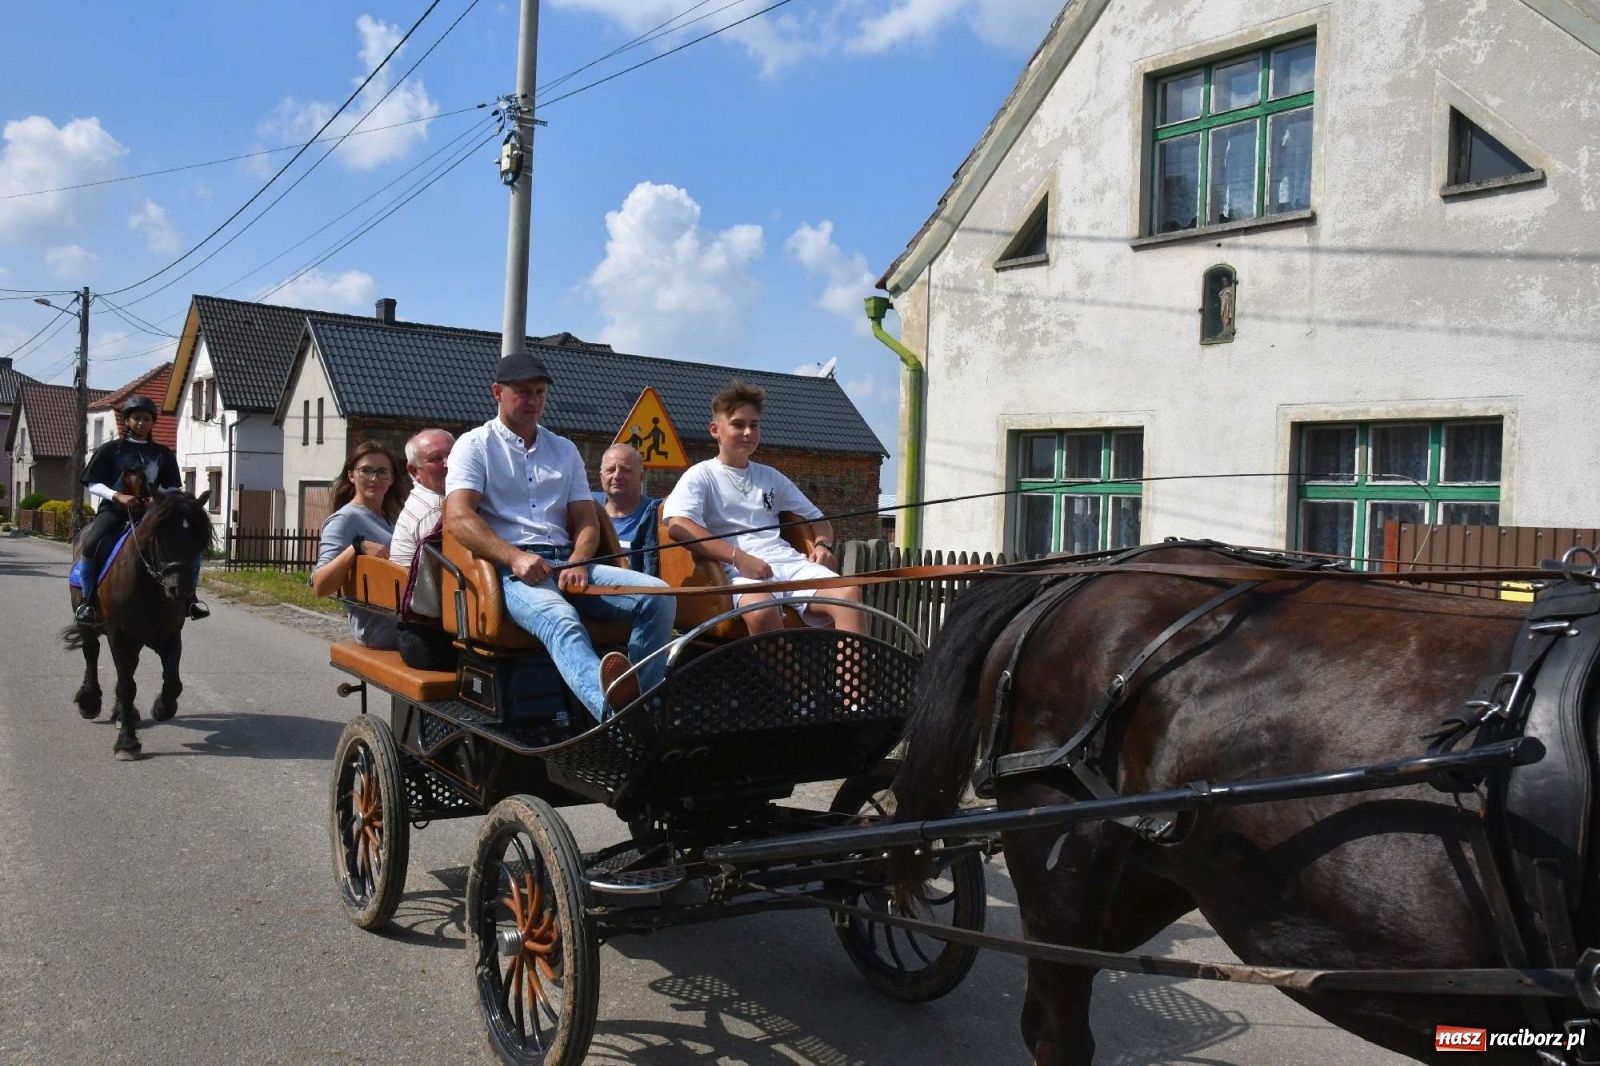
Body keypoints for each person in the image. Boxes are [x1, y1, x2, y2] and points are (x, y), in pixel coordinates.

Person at [443, 352, 674, 718]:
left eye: (539, 392)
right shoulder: (474, 446)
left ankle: (645, 701)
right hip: (509, 572)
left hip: (567, 563)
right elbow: (457, 518)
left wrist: (579, 561)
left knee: (658, 595)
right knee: (563, 620)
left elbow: (588, 520)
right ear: (497, 393)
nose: (534, 401)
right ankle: (617, 717)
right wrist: (515, 558)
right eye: (522, 392)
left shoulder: (564, 450)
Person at [663, 380, 865, 635]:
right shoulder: (701, 474)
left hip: (788, 564)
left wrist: (823, 544)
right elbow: (679, 526)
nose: (748, 432)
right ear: (715, 429)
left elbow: (816, 518)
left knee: (848, 592)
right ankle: (786, 677)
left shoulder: (771, 476)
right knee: (761, 608)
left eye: (754, 425)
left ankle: (855, 676)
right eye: (738, 424)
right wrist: (740, 558)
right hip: (738, 572)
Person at [76, 395, 206, 624]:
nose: (141, 423)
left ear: (152, 422)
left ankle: (190, 599)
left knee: (189, 549)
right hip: (114, 511)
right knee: (90, 544)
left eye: (146, 419)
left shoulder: (163, 453)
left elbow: (173, 486)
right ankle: (87, 602)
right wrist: (119, 496)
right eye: (136, 418)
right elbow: (92, 482)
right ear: (127, 421)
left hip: (154, 513)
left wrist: (158, 500)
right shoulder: (110, 450)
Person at [310, 440, 408, 649]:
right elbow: (320, 585)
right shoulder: (345, 519)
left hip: (401, 616)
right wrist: (357, 547)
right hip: (380, 628)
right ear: (351, 475)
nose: (375, 478)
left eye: (382, 472)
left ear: (391, 479)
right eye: (366, 471)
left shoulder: (391, 517)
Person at [390, 428, 457, 671]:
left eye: (452, 454)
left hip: (426, 630)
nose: (448, 464)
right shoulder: (435, 513)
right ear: (413, 471)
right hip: (429, 638)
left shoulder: (445, 503)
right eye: (435, 458)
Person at [592, 443, 660, 577]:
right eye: (610, 470)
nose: (617, 476)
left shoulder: (656, 515)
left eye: (625, 470)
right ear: (601, 477)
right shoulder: (587, 507)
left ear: (641, 477)